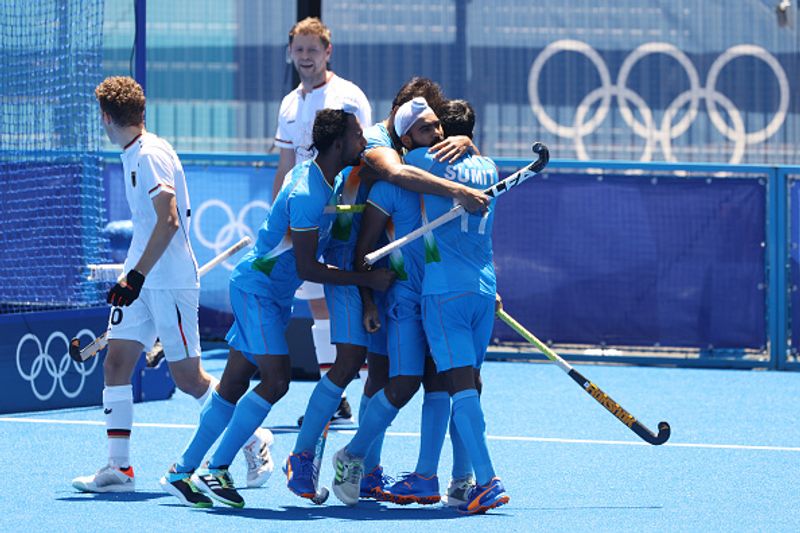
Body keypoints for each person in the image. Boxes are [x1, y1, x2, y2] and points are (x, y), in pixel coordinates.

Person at [159, 106, 395, 508]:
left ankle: (181, 471)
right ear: (338, 144)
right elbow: (307, 267)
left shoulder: (325, 177)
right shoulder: (308, 193)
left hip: (269, 294)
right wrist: (366, 280)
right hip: (258, 292)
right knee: (277, 379)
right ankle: (217, 467)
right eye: (358, 137)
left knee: (232, 384)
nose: (364, 143)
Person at [72, 76, 273, 495]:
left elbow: (169, 221)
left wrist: (138, 275)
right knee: (116, 364)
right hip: (141, 279)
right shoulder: (133, 153)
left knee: (189, 379)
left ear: (106, 118)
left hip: (168, 281)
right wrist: (133, 276)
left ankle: (254, 439)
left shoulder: (149, 156)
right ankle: (119, 469)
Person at [333, 99, 509, 514]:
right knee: (425, 383)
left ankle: (464, 479)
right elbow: (369, 237)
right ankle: (374, 458)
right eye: (429, 128)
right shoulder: (486, 166)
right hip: (441, 293)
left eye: (440, 127)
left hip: (444, 292)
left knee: (454, 386)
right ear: (408, 136)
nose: (440, 136)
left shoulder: (425, 162)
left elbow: (402, 163)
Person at [273, 17, 373, 426]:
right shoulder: (289, 104)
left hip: (344, 217)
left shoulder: (348, 96)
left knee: (349, 301)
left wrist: (351, 211)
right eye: (299, 49)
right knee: (317, 306)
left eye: (313, 49)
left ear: (328, 51)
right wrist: (279, 213)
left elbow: (364, 154)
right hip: (308, 217)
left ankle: (362, 395)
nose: (306, 57)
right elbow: (284, 164)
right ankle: (333, 397)